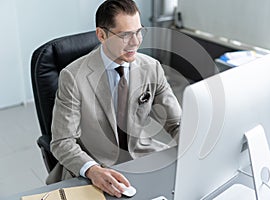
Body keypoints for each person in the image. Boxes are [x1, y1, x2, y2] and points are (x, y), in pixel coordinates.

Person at [47, 0, 181, 198]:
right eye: (125, 35)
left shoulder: (152, 68)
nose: (136, 42)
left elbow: (176, 123)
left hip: (141, 157)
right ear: (102, 35)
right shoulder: (73, 76)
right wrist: (92, 170)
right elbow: (62, 141)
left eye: (139, 31)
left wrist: (196, 148)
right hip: (95, 164)